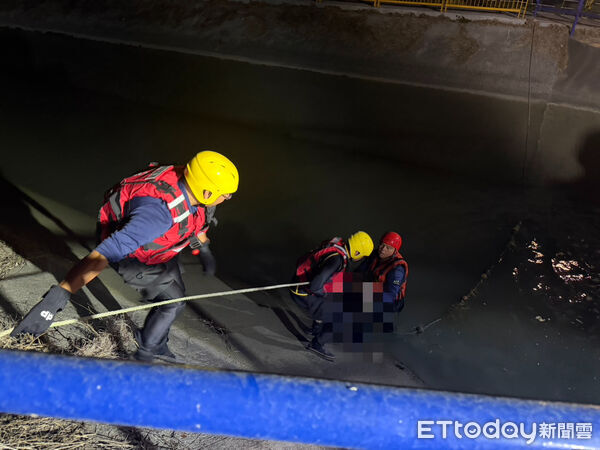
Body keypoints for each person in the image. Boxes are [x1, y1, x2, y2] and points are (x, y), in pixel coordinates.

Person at [11, 151, 239, 362]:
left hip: (160, 249)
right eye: (225, 194)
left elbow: (197, 222)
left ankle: (155, 339)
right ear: (207, 192)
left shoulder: (191, 182)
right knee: (173, 303)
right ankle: (147, 351)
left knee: (175, 291)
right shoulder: (157, 216)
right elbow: (105, 253)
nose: (228, 197)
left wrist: (203, 249)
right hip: (134, 257)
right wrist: (57, 298)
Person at [291, 231, 374, 361]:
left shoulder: (337, 245)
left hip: (297, 284)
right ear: (357, 252)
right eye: (362, 256)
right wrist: (327, 295)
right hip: (302, 293)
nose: (361, 258)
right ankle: (317, 344)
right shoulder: (337, 260)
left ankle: (315, 329)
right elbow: (315, 286)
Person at [357, 231, 408, 313]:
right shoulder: (375, 255)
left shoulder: (397, 269)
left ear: (395, 250)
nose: (383, 249)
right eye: (382, 245)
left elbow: (391, 295)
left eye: (388, 248)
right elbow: (359, 272)